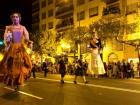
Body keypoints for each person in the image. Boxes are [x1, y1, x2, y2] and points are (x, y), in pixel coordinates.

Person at [0, 12, 32, 90]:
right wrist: (7, 41)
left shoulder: (23, 28)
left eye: (17, 17)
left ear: (19, 18)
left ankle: (18, 81)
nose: (15, 18)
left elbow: (27, 38)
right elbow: (6, 39)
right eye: (13, 17)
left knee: (24, 64)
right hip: (12, 48)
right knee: (11, 65)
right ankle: (13, 81)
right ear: (12, 19)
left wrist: (29, 42)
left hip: (20, 48)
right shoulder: (8, 27)